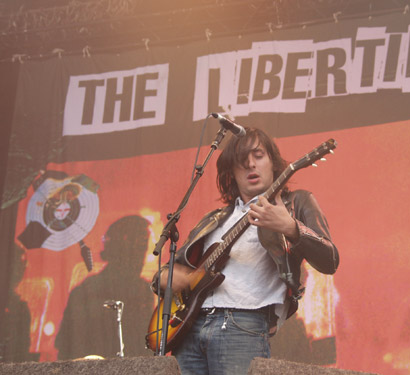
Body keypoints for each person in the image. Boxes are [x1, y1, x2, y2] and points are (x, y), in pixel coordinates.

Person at [151, 127, 339, 375]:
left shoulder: (296, 202)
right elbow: (169, 270)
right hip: (188, 329)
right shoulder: (214, 219)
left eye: (258, 155)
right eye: (241, 160)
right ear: (231, 172)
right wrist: (169, 278)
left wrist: (292, 228)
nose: (250, 164)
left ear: (273, 162)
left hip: (242, 325)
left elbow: (330, 260)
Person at [55, 215, 154, 359]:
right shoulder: (84, 293)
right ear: (117, 249)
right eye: (136, 249)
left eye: (143, 248)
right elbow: (67, 349)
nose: (141, 257)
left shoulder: (145, 291)